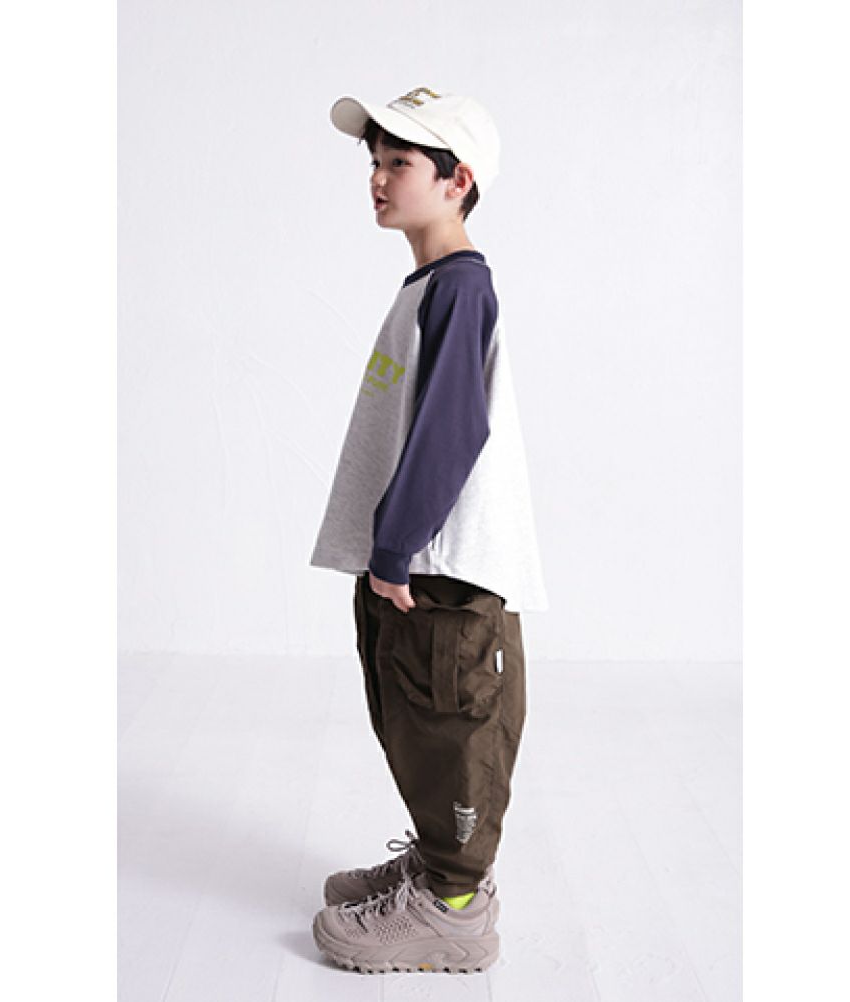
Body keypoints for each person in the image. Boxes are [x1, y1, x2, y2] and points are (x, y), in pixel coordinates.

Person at [308, 86, 548, 974]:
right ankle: (436, 864)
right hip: (418, 559)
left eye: (399, 162)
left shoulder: (460, 288)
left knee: (451, 724)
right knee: (415, 721)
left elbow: (453, 427)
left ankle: (454, 904)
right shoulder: (430, 287)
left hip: (441, 564)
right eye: (374, 161)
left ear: (458, 181)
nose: (377, 178)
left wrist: (396, 545)